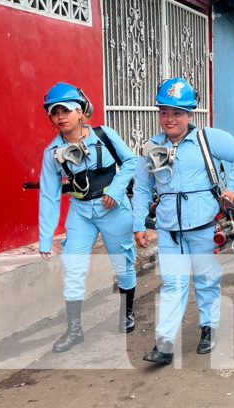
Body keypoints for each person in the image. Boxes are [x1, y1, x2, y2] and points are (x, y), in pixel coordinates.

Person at [132, 77, 234, 365]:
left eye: (177, 113)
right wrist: (139, 225)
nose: (169, 119)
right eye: (164, 112)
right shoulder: (151, 148)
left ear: (190, 114)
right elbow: (142, 188)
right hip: (170, 229)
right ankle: (165, 343)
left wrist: (232, 188)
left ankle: (208, 328)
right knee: (173, 284)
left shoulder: (208, 139)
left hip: (205, 226)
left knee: (207, 281)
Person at [39, 82, 138, 353]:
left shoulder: (104, 135)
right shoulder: (52, 153)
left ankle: (127, 312)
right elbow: (49, 195)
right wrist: (46, 237)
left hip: (113, 209)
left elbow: (131, 162)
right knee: (73, 266)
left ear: (81, 111)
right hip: (81, 212)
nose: (61, 116)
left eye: (66, 110)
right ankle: (74, 330)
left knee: (123, 263)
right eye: (54, 111)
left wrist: (117, 191)